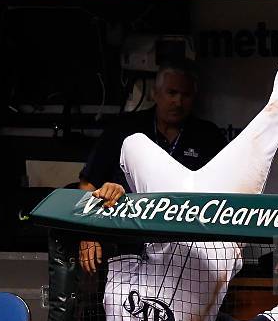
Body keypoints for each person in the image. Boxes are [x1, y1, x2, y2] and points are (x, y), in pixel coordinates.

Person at [89, 5, 278, 321]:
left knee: (132, 143)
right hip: (221, 211)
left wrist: (112, 200)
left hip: (171, 210)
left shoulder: (114, 310)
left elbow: (124, 245)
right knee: (276, 115)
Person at [78, 59, 227, 273]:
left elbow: (223, 192)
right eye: (171, 93)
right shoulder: (123, 129)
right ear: (155, 94)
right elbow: (88, 183)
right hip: (126, 247)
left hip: (186, 252)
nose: (178, 101)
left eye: (185, 95)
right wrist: (88, 234)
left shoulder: (208, 135)